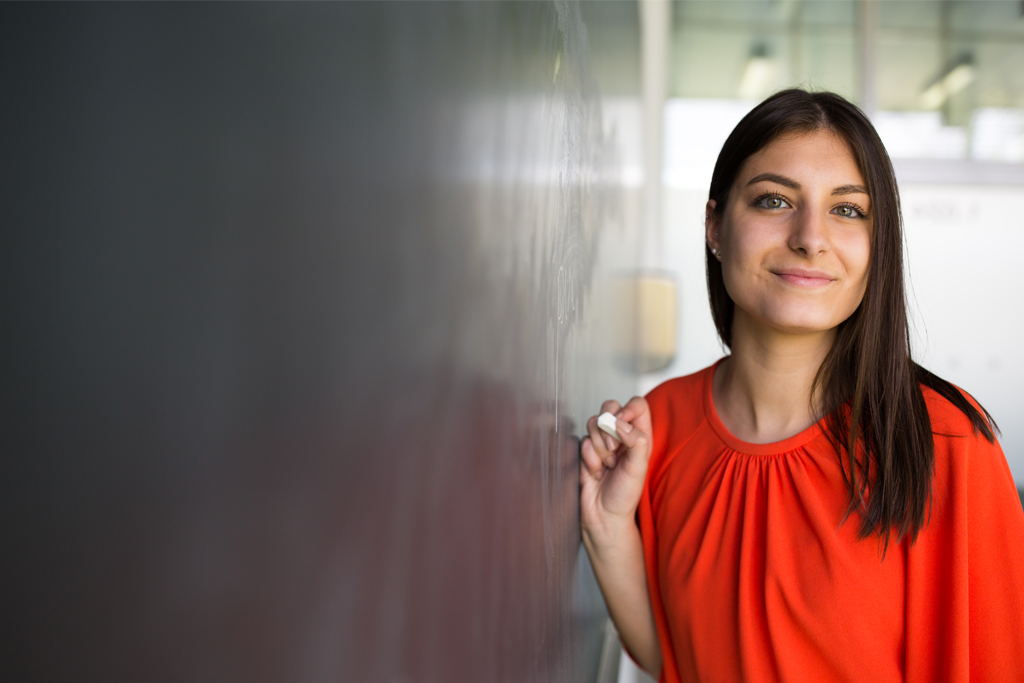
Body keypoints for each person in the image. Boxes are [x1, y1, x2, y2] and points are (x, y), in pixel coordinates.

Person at [579, 89, 1024, 682]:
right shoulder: (660, 427)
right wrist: (608, 531)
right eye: (774, 200)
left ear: (878, 245)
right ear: (715, 226)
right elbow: (680, 661)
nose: (810, 237)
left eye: (847, 210)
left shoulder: (946, 441)